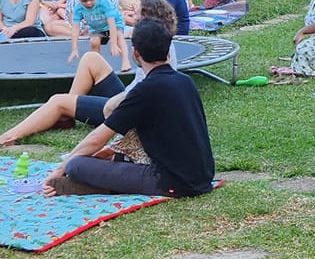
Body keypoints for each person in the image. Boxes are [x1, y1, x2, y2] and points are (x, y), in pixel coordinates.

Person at [43, 18, 215, 198]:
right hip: (202, 175)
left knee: (76, 165)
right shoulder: (185, 81)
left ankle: (97, 186)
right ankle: (105, 180)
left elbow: (96, 139)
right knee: (108, 157)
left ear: (135, 53)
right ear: (168, 52)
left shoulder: (144, 90)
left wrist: (60, 169)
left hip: (172, 182)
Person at [0, 0, 176, 146]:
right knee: (91, 58)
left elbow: (143, 92)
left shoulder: (155, 47)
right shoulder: (158, 40)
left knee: (58, 100)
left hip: (130, 111)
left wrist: (112, 105)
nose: (132, 14)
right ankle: (66, 115)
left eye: (136, 12)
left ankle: (8, 137)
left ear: (145, 17)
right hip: (133, 97)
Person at [68, 0, 130, 74]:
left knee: (119, 37)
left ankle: (125, 61)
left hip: (114, 23)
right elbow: (75, 29)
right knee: (94, 42)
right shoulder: (78, 9)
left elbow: (112, 24)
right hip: (97, 28)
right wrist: (74, 49)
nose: (88, 3)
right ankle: (98, 65)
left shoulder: (104, 4)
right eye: (84, 1)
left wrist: (113, 44)